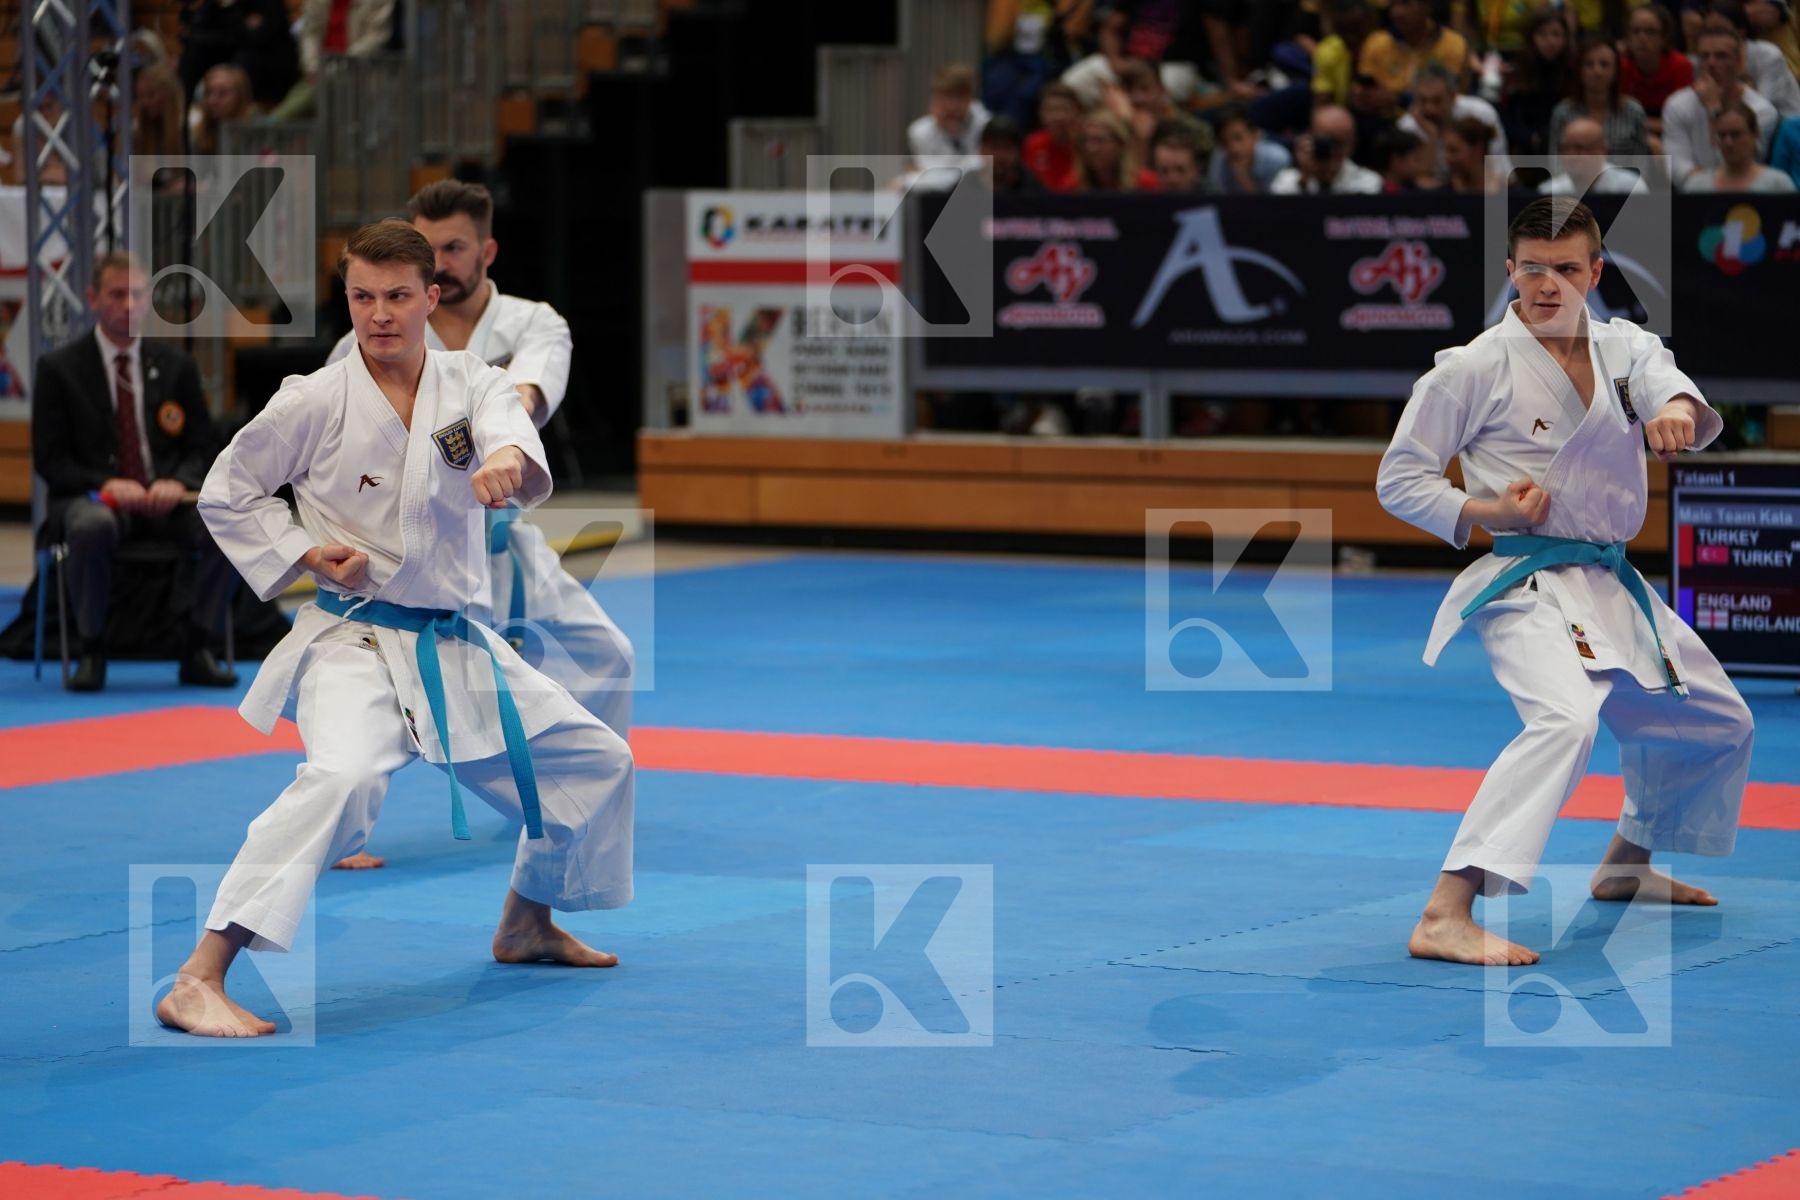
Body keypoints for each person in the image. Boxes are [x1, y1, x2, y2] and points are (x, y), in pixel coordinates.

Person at [157, 221, 635, 1037]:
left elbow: (509, 429)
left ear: (430, 297)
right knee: (341, 780)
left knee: (598, 761)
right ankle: (199, 976)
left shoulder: (470, 381)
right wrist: (305, 552)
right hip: (356, 639)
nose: (379, 313)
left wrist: (507, 462)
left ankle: (527, 920)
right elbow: (228, 490)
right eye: (362, 296)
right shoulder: (314, 398)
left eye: (397, 296)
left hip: (450, 641)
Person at [1376, 197, 1754, 966]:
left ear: (1595, 272)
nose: (1548, 285)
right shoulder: (1473, 366)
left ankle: (1626, 864)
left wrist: (1675, 413)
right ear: (1510, 270)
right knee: (1564, 719)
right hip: (1527, 582)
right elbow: (1400, 478)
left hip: (1609, 578)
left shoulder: (1626, 347)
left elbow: (1669, 389)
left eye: (1567, 269)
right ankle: (1446, 911)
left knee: (1718, 721)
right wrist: (1486, 509)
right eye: (1533, 269)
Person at [324, 180, 636, 871]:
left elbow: (528, 394)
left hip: (502, 536)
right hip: (416, 550)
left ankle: (577, 805)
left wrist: (498, 427)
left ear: (487, 251)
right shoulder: (375, 331)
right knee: (386, 683)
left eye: (454, 248)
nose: (439, 261)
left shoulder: (532, 322)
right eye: (427, 247)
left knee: (608, 654)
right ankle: (340, 827)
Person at [29, 252, 238, 692]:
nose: (128, 305)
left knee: (229, 522)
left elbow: (204, 447)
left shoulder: (176, 366)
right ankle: (92, 650)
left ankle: (198, 646)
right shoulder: (59, 370)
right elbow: (51, 461)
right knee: (92, 526)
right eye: (116, 294)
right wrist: (105, 484)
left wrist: (178, 481)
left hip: (167, 500)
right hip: (94, 499)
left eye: (137, 294)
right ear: (92, 299)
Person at [1664, 27, 1781, 183]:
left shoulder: (1762, 111)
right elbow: (1677, 168)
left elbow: (1740, 165)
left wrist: (1715, 111)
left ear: (1739, 62)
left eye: (1721, 56)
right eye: (1704, 56)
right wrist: (1708, 185)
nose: (1711, 63)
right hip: (1691, 194)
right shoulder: (1676, 105)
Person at [1548, 36, 1654, 160]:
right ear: (1579, 71)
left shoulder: (1633, 111)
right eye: (1589, 64)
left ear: (1615, 71)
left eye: (1604, 65)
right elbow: (1555, 161)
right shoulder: (1563, 113)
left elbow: (1642, 163)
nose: (1597, 71)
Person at [1621, 5, 1695, 153]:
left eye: (1650, 32)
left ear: (1664, 38)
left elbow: (1685, 123)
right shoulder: (1621, 66)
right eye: (1635, 31)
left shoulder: (1680, 66)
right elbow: (1615, 118)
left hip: (1674, 139)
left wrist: (1642, 126)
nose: (1642, 38)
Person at [1681, 101, 1800, 187]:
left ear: (1755, 134)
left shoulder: (1778, 184)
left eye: (1736, 134)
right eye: (1722, 135)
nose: (1728, 142)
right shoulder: (1697, 186)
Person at [1271, 104, 1384, 193]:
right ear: (1310, 139)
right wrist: (1304, 180)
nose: (1331, 150)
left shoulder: (1368, 181)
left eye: (1338, 144)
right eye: (1325, 142)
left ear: (1352, 145)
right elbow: (1283, 209)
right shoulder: (1287, 180)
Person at [1541, 117, 1652, 193]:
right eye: (1565, 149)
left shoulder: (1630, 188)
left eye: (1580, 148)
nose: (1570, 156)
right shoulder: (1549, 191)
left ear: (1602, 151)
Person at [1022, 80, 1084, 191]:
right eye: (1051, 110)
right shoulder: (1032, 144)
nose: (1058, 117)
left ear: (1078, 112)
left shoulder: (1089, 145)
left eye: (1065, 109)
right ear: (1041, 114)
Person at [1148, 119, 1211, 191]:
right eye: (1164, 171)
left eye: (1180, 170)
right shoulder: (1144, 194)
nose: (1172, 179)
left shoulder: (1214, 194)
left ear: (1197, 170)